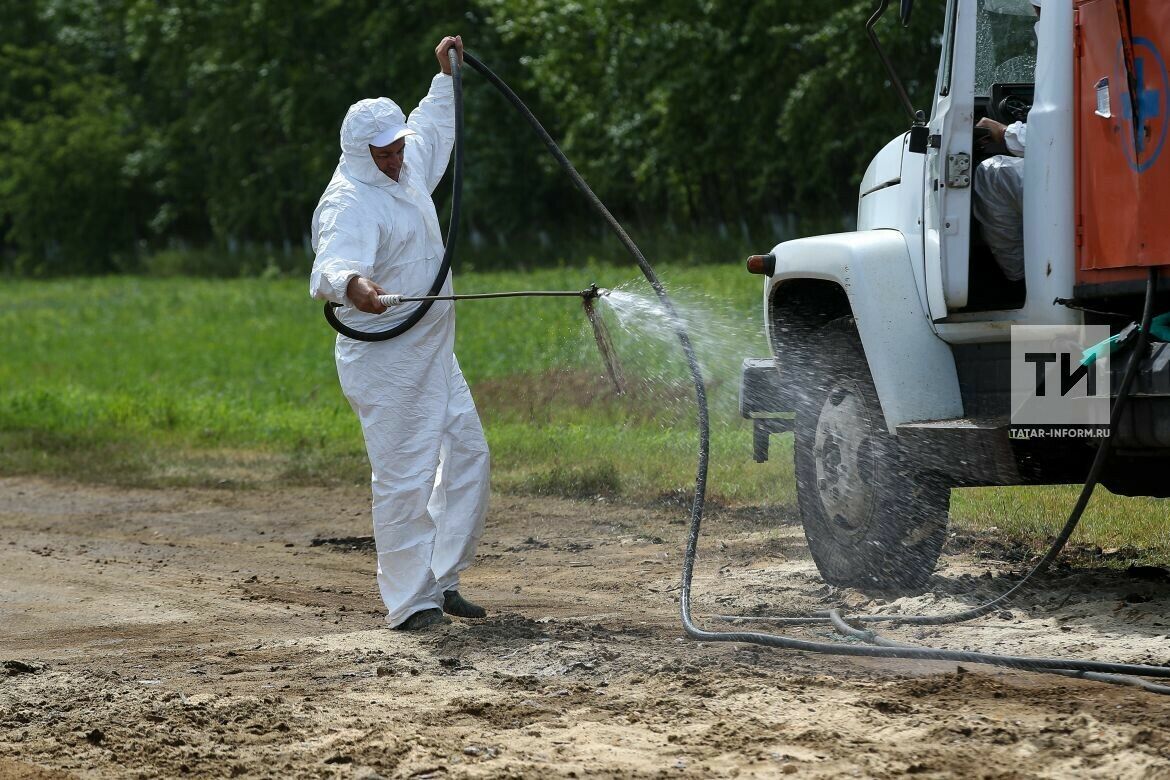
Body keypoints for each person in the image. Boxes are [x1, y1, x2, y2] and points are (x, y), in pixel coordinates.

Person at [309, 35, 491, 632]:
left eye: (396, 149)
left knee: (468, 454)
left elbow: (433, 129)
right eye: (383, 153)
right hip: (386, 360)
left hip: (435, 349)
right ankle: (411, 604)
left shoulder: (406, 169)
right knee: (406, 476)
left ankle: (441, 579)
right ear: (359, 153)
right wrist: (354, 285)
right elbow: (332, 263)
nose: (394, 159)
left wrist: (445, 79)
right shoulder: (349, 201)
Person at [972, 0, 1041, 284]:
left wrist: (1006, 134)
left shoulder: (1072, 43)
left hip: (1086, 178)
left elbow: (1061, 136)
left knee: (991, 174)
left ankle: (1021, 281)